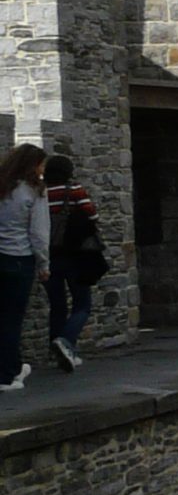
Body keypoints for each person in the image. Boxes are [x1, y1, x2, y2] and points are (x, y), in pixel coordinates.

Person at [43, 152, 103, 371]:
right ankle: (66, 341)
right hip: (75, 255)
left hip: (49, 255)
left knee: (57, 305)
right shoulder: (74, 191)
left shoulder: (41, 193)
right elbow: (92, 216)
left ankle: (59, 353)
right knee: (82, 304)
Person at [0, 143, 51, 393]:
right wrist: (44, 264)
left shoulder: (2, 187)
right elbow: (39, 233)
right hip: (19, 258)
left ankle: (15, 366)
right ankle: (7, 375)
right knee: (12, 319)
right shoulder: (34, 191)